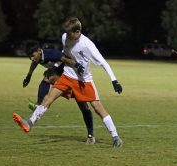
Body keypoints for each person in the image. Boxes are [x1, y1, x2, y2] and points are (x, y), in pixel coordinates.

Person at [13, 17, 123, 148]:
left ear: (77, 32)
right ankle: (29, 122)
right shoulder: (65, 37)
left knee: (97, 108)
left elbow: (104, 63)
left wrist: (114, 80)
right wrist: (73, 65)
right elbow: (65, 55)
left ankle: (116, 137)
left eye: (70, 34)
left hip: (84, 81)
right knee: (49, 98)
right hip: (67, 76)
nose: (68, 37)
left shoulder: (88, 45)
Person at [21, 41, 95, 144]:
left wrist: (77, 65)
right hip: (64, 79)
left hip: (76, 78)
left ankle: (91, 135)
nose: (32, 59)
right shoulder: (38, 57)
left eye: (33, 56)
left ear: (39, 51)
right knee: (47, 79)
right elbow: (34, 63)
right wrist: (28, 76)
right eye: (30, 57)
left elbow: (64, 58)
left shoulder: (50, 54)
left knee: (83, 106)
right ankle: (36, 110)